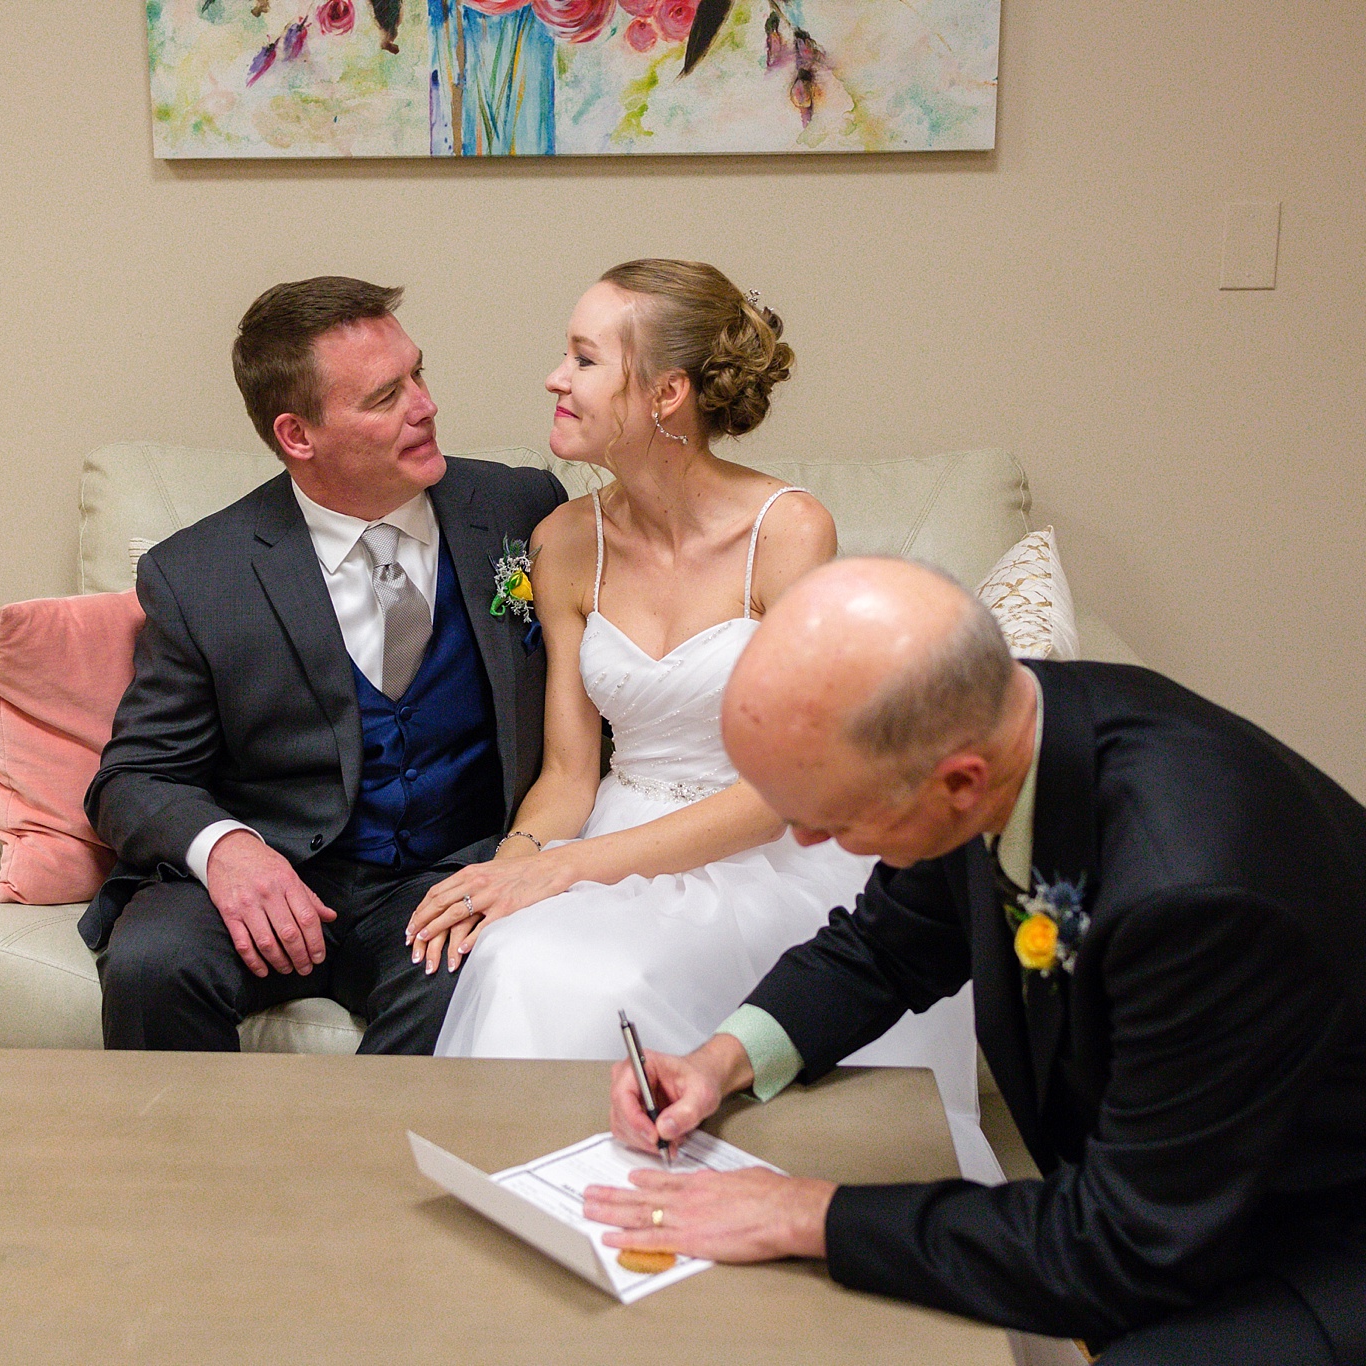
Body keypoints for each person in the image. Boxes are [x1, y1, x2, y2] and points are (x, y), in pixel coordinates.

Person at [584, 555, 1366, 1364]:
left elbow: (1120, 1245)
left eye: (826, 821)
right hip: (1213, 1175)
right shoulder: (1011, 722)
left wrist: (807, 1213)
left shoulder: (1196, 893)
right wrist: (722, 1057)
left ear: (958, 782)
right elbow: (890, 940)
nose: (802, 843)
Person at [409, 262, 986, 1175]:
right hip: (614, 832)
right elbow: (569, 777)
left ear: (666, 393)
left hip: (769, 848)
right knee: (515, 959)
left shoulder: (789, 532)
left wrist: (570, 873)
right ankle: (547, 1205)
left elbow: (788, 789)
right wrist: (510, 870)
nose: (555, 378)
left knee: (604, 980)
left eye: (584, 358)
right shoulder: (563, 544)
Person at [77, 277, 567, 1053]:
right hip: (274, 861)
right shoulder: (200, 572)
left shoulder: (519, 508)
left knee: (467, 983)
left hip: (447, 873)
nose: (425, 405)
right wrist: (228, 851)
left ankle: (362, 1176)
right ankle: (185, 1175)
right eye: (384, 397)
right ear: (298, 436)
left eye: (419, 374)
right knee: (151, 964)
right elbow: (133, 777)